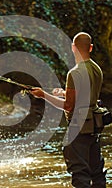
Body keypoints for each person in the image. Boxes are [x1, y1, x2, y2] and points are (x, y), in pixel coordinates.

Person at [30, 32, 106, 187]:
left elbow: (68, 106)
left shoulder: (74, 73)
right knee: (97, 172)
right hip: (94, 126)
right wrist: (64, 93)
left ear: (73, 48)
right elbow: (86, 95)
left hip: (78, 126)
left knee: (80, 173)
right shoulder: (97, 69)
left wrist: (43, 95)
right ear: (90, 48)